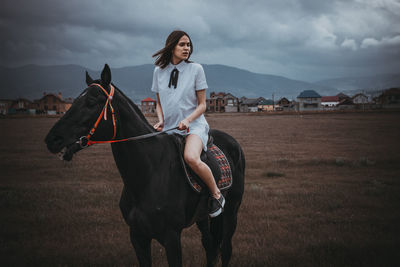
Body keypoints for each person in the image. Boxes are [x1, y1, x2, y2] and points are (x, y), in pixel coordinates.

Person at [151, 30, 225, 217]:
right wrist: (161, 120)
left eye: (188, 45)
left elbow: (202, 105)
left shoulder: (196, 69)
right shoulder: (158, 71)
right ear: (172, 46)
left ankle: (216, 195)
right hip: (169, 129)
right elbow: (158, 103)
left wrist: (188, 120)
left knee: (191, 157)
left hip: (194, 127)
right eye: (182, 44)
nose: (187, 48)